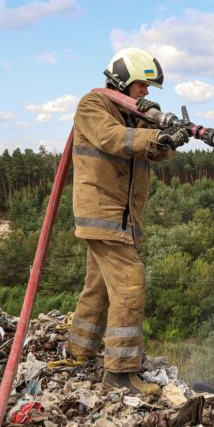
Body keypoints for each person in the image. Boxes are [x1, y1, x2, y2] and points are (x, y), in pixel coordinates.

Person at [66, 47, 190, 397]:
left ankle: (80, 350)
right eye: (142, 87)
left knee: (99, 287)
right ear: (122, 80)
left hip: (121, 219)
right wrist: (155, 134)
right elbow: (114, 139)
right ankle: (120, 373)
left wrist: (172, 136)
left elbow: (155, 150)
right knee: (130, 282)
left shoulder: (130, 113)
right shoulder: (94, 106)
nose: (146, 94)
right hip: (103, 215)